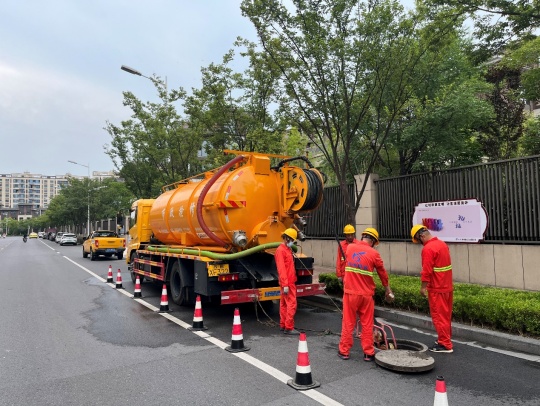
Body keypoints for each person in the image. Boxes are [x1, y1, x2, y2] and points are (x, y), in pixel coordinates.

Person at [338, 227, 394, 361]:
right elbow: (382, 273)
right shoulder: (374, 254)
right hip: (367, 295)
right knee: (367, 324)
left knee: (348, 322)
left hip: (351, 293)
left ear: (362, 236)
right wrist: (388, 289)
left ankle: (344, 351)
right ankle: (368, 353)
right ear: (373, 241)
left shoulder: (350, 248)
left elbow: (343, 261)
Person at [411, 224, 454, 353]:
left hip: (437, 288)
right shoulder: (442, 244)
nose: (420, 244)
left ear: (421, 236)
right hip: (447, 286)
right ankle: (444, 338)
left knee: (439, 317)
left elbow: (427, 271)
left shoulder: (428, 249)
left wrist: (423, 288)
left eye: (418, 241)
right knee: (445, 316)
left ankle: (445, 344)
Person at [276, 228, 300, 335]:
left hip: (287, 282)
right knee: (291, 304)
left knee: (284, 304)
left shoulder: (286, 249)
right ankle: (289, 327)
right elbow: (281, 269)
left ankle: (283, 325)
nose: (293, 242)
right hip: (288, 283)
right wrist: (285, 284)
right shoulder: (281, 251)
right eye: (292, 240)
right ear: (287, 238)